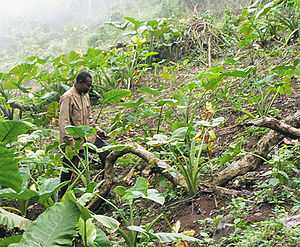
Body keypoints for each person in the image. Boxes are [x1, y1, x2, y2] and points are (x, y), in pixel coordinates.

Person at [58, 70, 108, 198]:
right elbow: (64, 122)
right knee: (69, 169)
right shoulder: (67, 97)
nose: (89, 88)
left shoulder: (84, 95)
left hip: (88, 137)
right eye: (88, 85)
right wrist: (70, 143)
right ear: (79, 83)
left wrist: (97, 130)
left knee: (106, 151)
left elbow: (89, 118)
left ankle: (105, 182)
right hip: (74, 141)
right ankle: (61, 196)